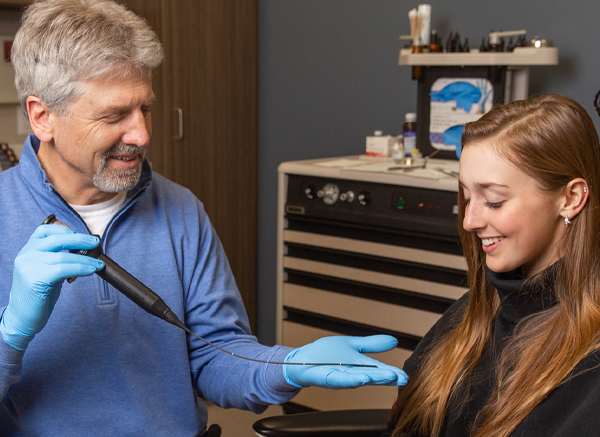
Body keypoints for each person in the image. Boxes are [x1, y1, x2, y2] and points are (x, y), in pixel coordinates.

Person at [0, 1, 407, 435]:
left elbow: (215, 357)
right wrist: (11, 335)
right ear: (42, 117)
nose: (141, 134)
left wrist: (288, 366)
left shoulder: (180, 210)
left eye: (146, 109)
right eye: (115, 115)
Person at [387, 93, 600, 437]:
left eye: (495, 201)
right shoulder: (476, 312)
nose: (470, 221)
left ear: (571, 198)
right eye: (467, 197)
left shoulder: (589, 363)